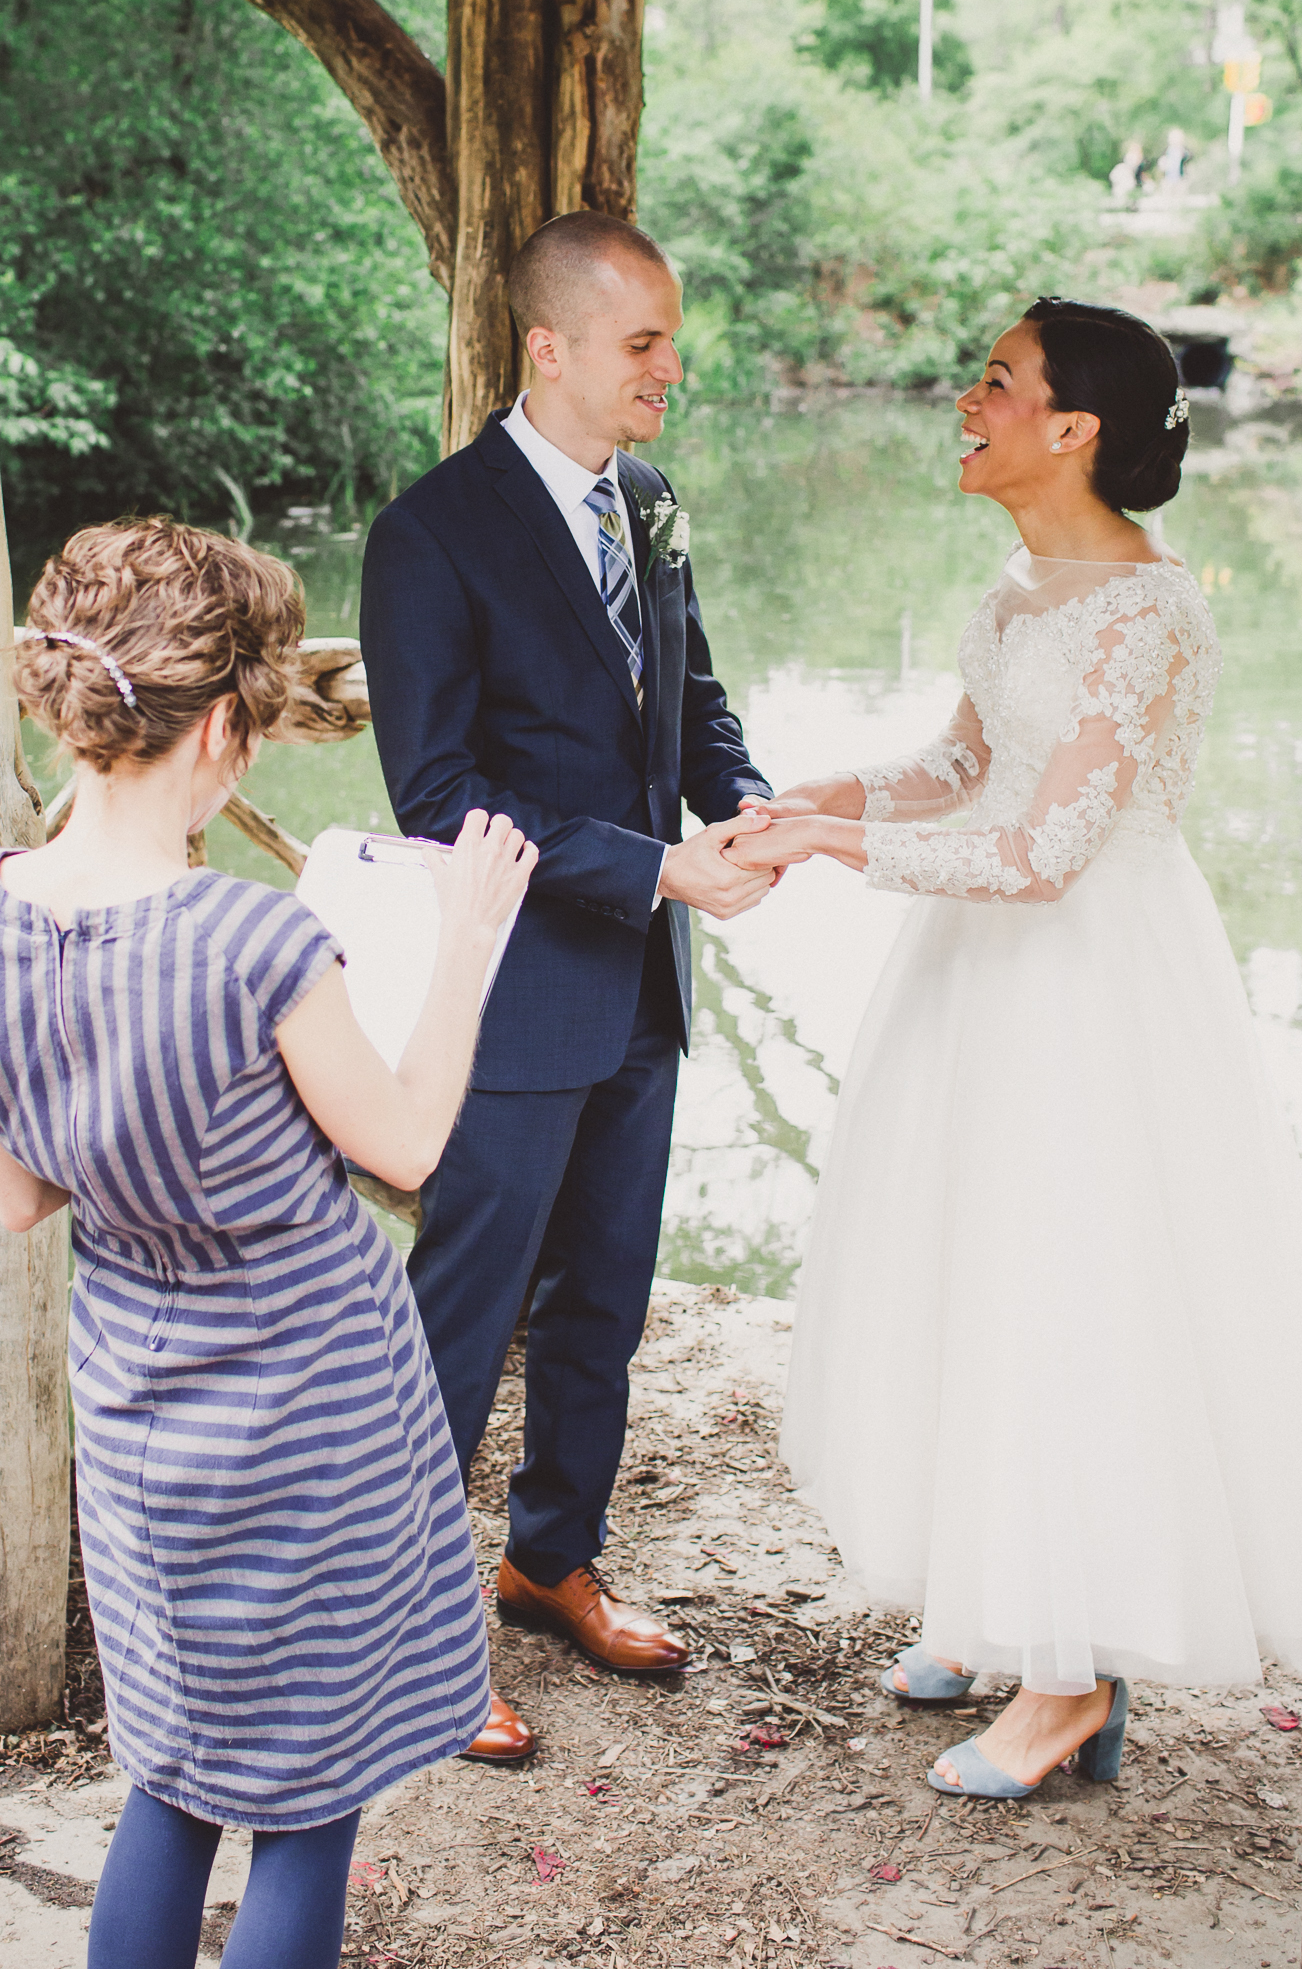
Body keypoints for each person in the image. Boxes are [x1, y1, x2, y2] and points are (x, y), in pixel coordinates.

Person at [729, 299, 1302, 1800]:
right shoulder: (1022, 584)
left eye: (997, 381)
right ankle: (992, 1594)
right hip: (984, 978)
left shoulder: (1148, 611)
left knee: (1068, 1288)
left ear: (1072, 430)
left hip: (1088, 979)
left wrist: (831, 851)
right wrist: (820, 793)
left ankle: (1069, 1674)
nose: (969, 397)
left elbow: (1043, 849)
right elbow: (962, 766)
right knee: (966, 1268)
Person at [0, 517, 537, 1967]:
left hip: (139, 1418)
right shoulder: (259, 946)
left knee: (168, 1782)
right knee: (308, 1807)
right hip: (310, 1413)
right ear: (228, 726)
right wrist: (470, 938)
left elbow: (19, 1197)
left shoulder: (3, 919)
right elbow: (411, 1141)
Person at [360, 211, 774, 1729]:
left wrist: (748, 814)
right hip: (511, 995)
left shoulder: (647, 503)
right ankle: (406, 1620)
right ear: (552, 347)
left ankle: (552, 1563)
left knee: (605, 1298)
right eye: (644, 343)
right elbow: (443, 797)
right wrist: (657, 863)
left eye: (671, 339)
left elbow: (697, 703)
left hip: (644, 992)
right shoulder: (431, 534)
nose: (671, 368)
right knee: (465, 1312)